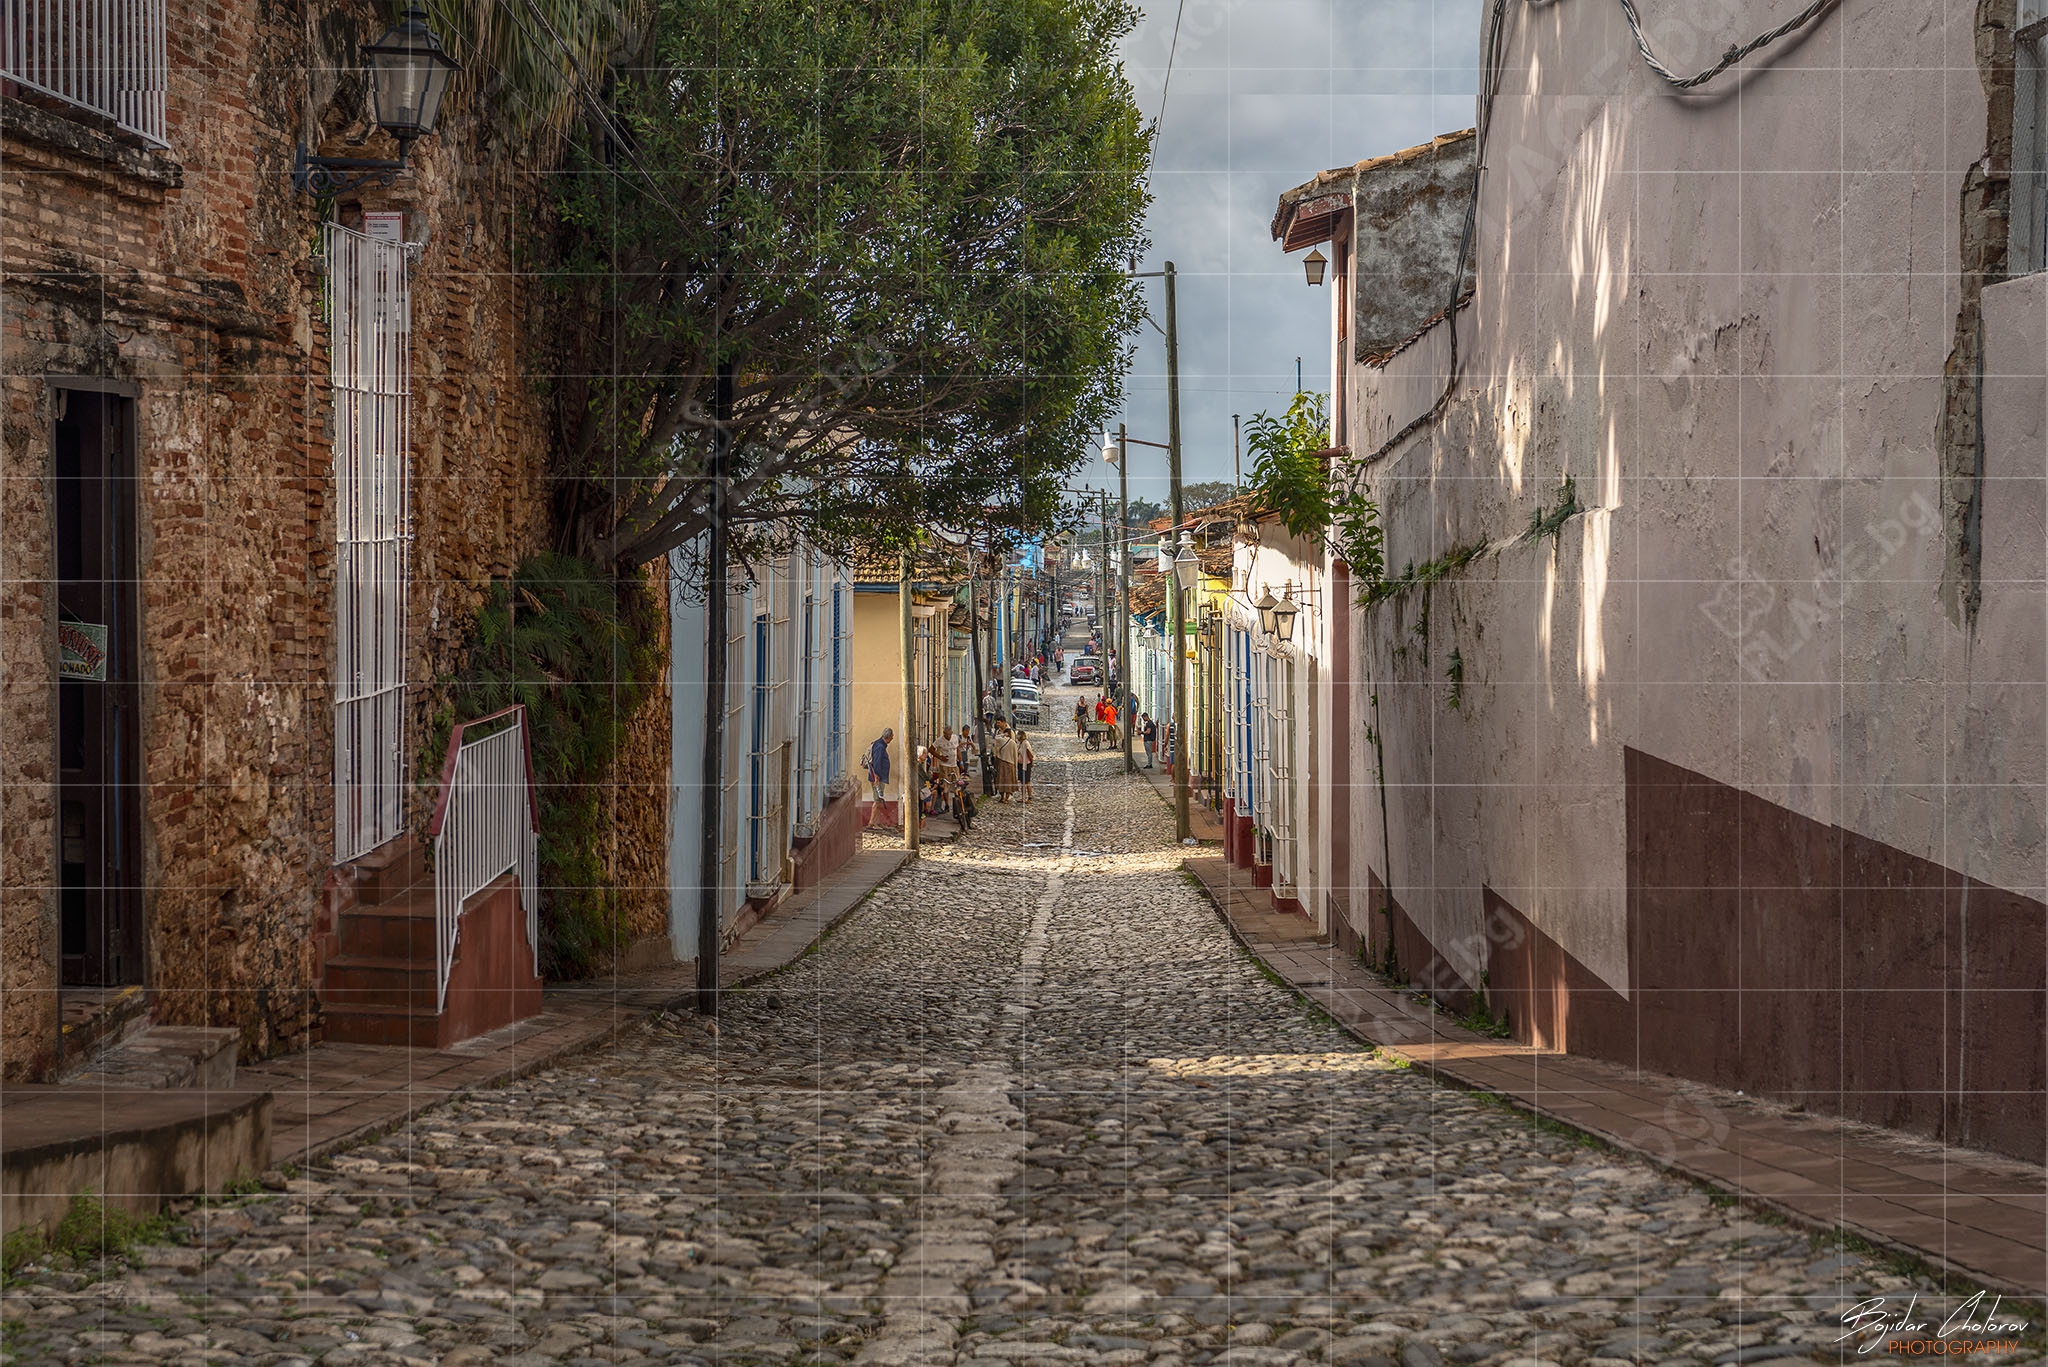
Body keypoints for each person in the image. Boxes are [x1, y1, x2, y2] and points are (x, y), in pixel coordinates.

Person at [864, 728, 894, 802]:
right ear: (888, 736)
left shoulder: (879, 745)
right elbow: (877, 762)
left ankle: (876, 810)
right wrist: (876, 777)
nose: (892, 738)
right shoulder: (880, 747)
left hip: (877, 777)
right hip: (877, 778)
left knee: (878, 800)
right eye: (892, 736)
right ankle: (874, 811)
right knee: (877, 801)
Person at [992, 723, 1020, 802]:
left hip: (1002, 762)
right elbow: (1015, 755)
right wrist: (1015, 765)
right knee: (1008, 782)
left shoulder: (1001, 740)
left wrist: (1002, 735)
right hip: (1010, 763)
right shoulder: (1013, 743)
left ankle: (1002, 797)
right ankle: (1007, 798)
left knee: (1001, 781)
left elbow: (996, 737)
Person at [1018, 734, 1036, 804]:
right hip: (1021, 764)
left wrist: (1032, 762)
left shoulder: (1025, 743)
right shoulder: (1021, 744)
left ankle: (1029, 797)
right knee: (1022, 782)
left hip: (1026, 764)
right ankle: (1023, 797)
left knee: (1027, 781)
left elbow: (1029, 753)